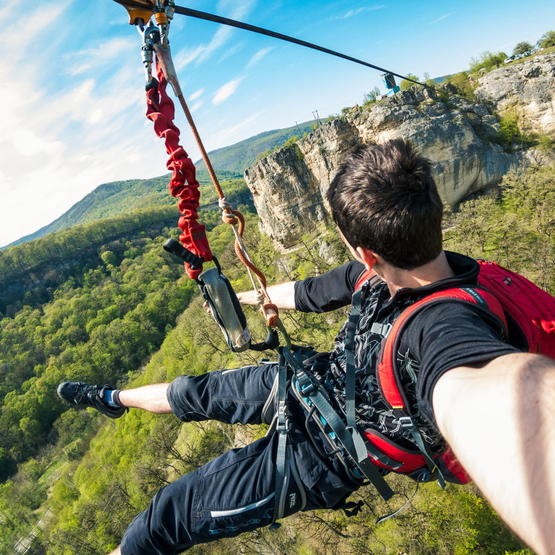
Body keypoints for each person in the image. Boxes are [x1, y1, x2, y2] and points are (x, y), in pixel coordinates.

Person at [57, 139, 555, 555]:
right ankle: (113, 400)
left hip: (324, 455)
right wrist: (240, 298)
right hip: (314, 381)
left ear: (364, 250)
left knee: (160, 521)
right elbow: (307, 293)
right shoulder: (373, 272)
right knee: (196, 391)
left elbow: (493, 391)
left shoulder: (444, 326)